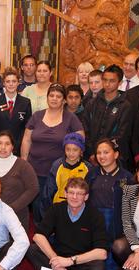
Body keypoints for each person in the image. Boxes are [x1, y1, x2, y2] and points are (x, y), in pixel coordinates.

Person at [25, 177, 107, 270]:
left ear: (86, 197)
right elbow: (38, 236)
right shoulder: (56, 209)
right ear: (65, 194)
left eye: (79, 194)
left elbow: (102, 253)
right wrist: (56, 260)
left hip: (80, 261)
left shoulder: (95, 215)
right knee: (31, 249)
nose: (74, 197)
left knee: (98, 267)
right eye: (71, 192)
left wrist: (69, 261)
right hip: (57, 258)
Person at [21, 83, 84, 224]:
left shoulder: (71, 118)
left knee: (55, 207)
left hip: (59, 172)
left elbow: (80, 140)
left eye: (58, 96)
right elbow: (26, 139)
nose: (54, 99)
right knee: (37, 206)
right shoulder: (37, 116)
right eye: (51, 95)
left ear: (64, 100)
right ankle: (39, 236)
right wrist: (24, 161)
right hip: (35, 169)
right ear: (47, 97)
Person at [87, 138, 133, 270]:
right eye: (99, 153)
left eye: (106, 152)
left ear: (116, 154)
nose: (102, 156)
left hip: (116, 220)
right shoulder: (92, 174)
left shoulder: (127, 177)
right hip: (94, 217)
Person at [81, 64, 132, 164]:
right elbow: (85, 129)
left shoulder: (125, 106)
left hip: (114, 157)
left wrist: (105, 154)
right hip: (91, 157)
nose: (107, 84)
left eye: (112, 81)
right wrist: (92, 153)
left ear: (120, 82)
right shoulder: (92, 103)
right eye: (105, 80)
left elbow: (122, 135)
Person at [0, 67, 32, 154]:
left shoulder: (25, 102)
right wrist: (0, 144)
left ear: (18, 82)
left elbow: (26, 128)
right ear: (3, 83)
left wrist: (16, 145)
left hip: (18, 147)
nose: (11, 84)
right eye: (8, 81)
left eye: (14, 81)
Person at [43, 132, 92, 209]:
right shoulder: (57, 166)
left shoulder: (87, 168)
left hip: (79, 208)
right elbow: (49, 191)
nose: (71, 153)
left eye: (75, 150)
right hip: (58, 207)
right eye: (68, 149)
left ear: (81, 151)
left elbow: (89, 191)